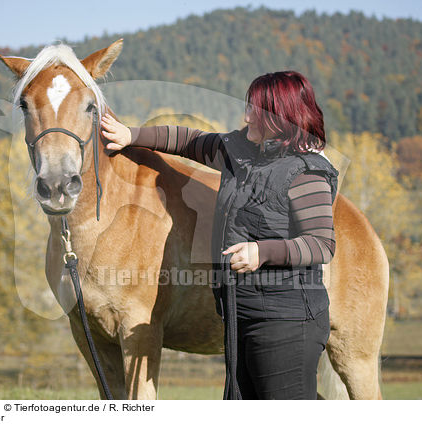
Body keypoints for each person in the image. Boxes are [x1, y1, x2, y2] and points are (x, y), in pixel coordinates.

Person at [100, 71, 338, 400]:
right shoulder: (238, 152)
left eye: (255, 110)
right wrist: (131, 134)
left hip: (289, 320)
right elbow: (186, 141)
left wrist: (262, 252)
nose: (246, 116)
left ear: (280, 116)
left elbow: (321, 244)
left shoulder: (306, 170)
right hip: (242, 314)